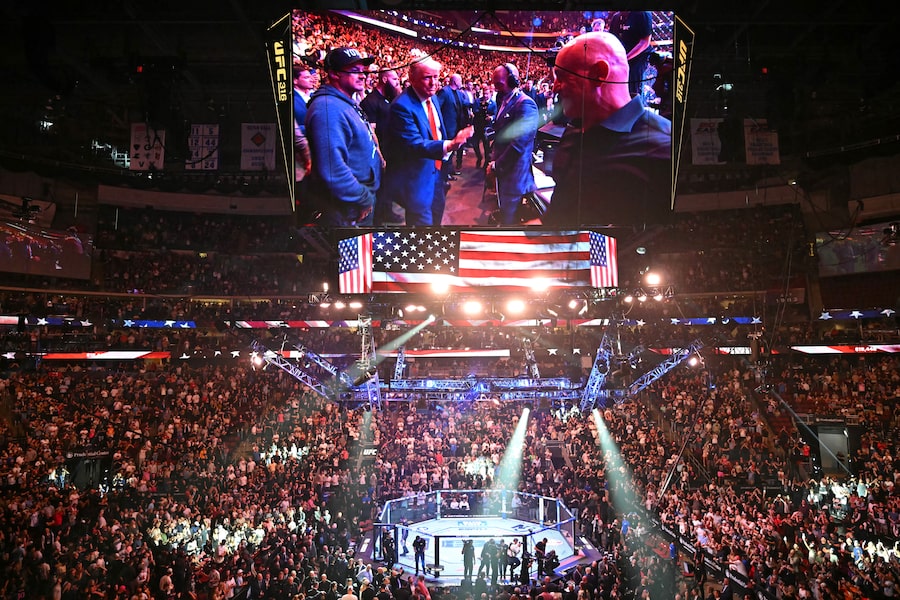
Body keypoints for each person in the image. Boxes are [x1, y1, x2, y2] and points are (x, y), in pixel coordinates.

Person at [541, 31, 671, 228]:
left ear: (598, 74)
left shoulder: (664, 149)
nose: (555, 88)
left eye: (562, 77)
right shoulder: (574, 128)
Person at [382, 56, 473, 226]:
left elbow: (438, 132)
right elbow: (414, 144)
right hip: (418, 182)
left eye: (436, 77)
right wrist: (451, 144)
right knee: (421, 235)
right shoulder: (401, 106)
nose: (433, 83)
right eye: (427, 77)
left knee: (435, 225)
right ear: (412, 79)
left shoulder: (434, 99)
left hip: (437, 176)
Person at [304, 47, 382, 227]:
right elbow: (333, 170)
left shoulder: (343, 101)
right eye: (355, 71)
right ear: (334, 74)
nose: (363, 76)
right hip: (348, 207)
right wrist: (364, 198)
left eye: (363, 71)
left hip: (354, 201)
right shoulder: (328, 109)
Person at [486, 62, 539, 225]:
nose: (496, 88)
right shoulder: (503, 99)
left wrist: (496, 166)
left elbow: (518, 144)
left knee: (509, 223)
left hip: (514, 175)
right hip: (504, 171)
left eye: (499, 84)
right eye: (494, 84)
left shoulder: (526, 104)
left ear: (513, 81)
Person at [361, 68, 404, 225]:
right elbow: (371, 133)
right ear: (384, 80)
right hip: (380, 153)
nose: (397, 83)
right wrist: (380, 156)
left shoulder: (389, 99)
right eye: (394, 79)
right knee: (380, 187)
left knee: (389, 186)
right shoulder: (370, 101)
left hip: (392, 150)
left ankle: (388, 212)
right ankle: (378, 220)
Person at [607, 11, 653, 98]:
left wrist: (626, 58)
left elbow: (644, 42)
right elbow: (612, 39)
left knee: (632, 88)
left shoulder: (643, 13)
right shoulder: (616, 17)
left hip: (639, 57)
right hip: (621, 57)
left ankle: (634, 106)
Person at [436, 73, 470, 176]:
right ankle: (445, 174)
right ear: (455, 81)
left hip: (458, 126)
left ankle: (450, 171)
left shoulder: (459, 93)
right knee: (448, 151)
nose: (461, 83)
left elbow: (464, 104)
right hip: (448, 126)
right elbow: (438, 107)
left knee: (457, 148)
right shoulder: (444, 92)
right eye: (460, 81)